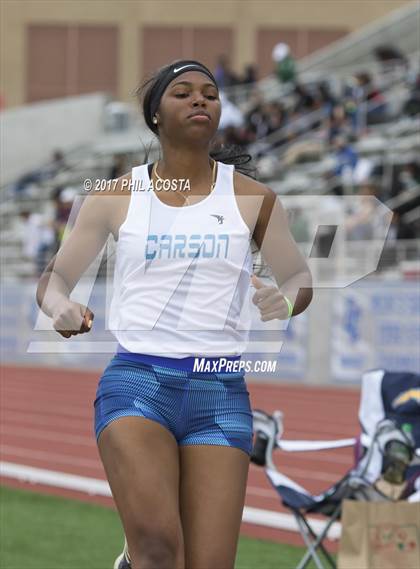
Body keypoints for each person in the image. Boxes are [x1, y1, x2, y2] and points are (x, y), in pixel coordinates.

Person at [36, 59, 312, 569]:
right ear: (156, 115)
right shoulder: (116, 197)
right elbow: (53, 279)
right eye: (183, 93)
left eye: (209, 93)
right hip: (139, 382)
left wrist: (287, 299)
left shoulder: (254, 199)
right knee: (161, 550)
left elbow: (299, 280)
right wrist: (61, 307)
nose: (200, 100)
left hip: (221, 391)